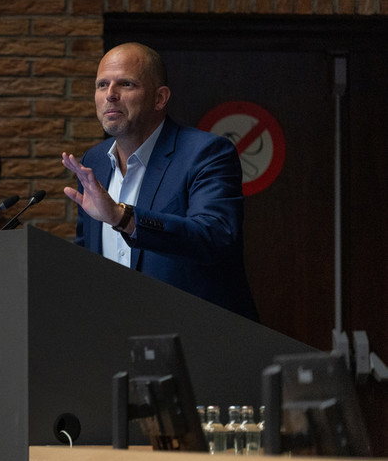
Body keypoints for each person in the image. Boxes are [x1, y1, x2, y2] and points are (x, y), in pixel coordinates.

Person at [61, 42, 257, 321]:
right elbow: (88, 256)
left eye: (126, 84)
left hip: (197, 333)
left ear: (160, 98)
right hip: (114, 332)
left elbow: (215, 237)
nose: (110, 95)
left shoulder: (205, 153)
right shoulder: (94, 161)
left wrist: (122, 217)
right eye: (102, 85)